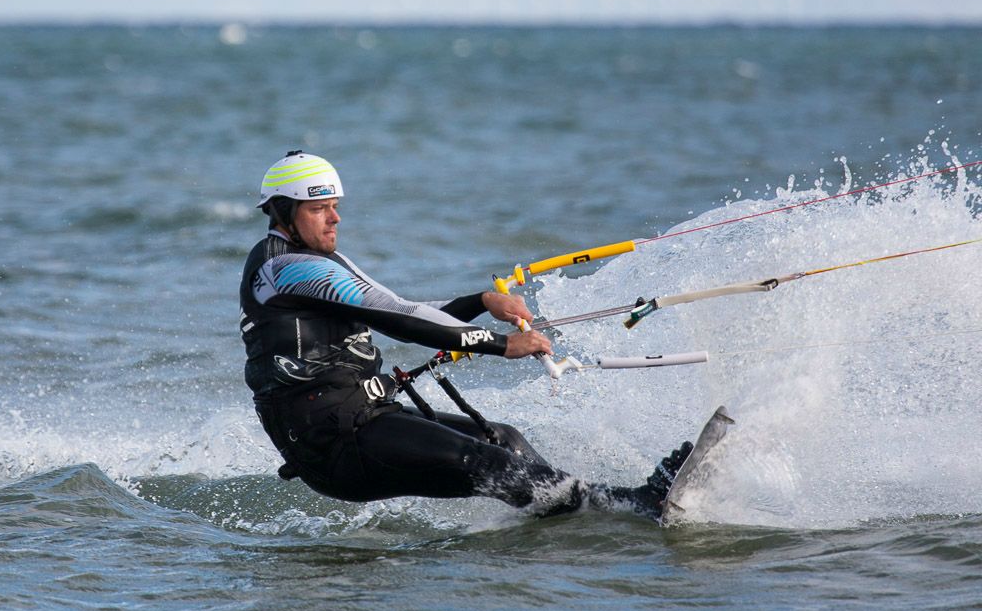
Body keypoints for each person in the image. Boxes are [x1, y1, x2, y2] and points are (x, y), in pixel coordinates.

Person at [239, 150, 693, 519]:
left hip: (364, 421)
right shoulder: (287, 268)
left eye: (336, 207)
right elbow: (400, 317)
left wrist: (480, 302)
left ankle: (588, 515)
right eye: (319, 209)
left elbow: (409, 311)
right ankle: (629, 507)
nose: (334, 219)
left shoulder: (316, 262)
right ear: (282, 212)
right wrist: (500, 344)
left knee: (504, 441)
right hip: (335, 445)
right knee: (489, 464)